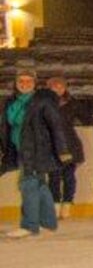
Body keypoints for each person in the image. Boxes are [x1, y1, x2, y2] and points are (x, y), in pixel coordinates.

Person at [3, 70, 70, 238]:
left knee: (28, 185)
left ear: (35, 84)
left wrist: (62, 150)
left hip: (36, 150)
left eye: (28, 82)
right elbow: (6, 127)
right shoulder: (11, 102)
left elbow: (56, 126)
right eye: (21, 82)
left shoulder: (42, 102)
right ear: (16, 84)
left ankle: (29, 225)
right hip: (18, 148)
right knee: (39, 184)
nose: (25, 84)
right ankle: (48, 222)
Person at [47, 74, 85, 218]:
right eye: (54, 87)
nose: (57, 89)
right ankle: (55, 204)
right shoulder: (43, 103)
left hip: (70, 144)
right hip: (51, 146)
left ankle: (67, 203)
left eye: (60, 86)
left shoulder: (72, 103)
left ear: (65, 88)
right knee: (54, 177)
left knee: (69, 176)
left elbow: (86, 117)